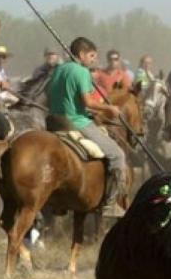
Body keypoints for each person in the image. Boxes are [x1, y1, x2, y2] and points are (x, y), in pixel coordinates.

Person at [47, 37, 128, 216]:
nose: (94, 60)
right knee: (117, 155)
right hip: (77, 123)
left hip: (53, 122)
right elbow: (88, 101)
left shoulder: (59, 69)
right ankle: (110, 203)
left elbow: (51, 94)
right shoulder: (82, 72)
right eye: (92, 56)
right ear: (82, 54)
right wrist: (109, 108)